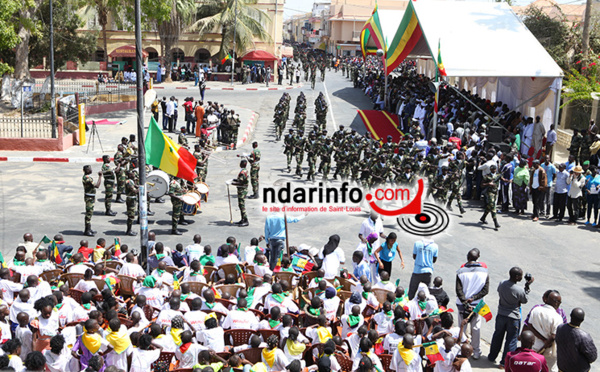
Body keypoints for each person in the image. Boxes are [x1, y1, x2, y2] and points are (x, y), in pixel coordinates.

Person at [488, 267, 533, 368]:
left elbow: (499, 291)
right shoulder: (519, 290)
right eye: (521, 275)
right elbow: (525, 300)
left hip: (501, 314)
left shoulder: (502, 283)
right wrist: (527, 287)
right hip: (513, 318)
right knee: (511, 340)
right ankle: (504, 363)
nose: (522, 277)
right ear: (517, 277)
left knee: (497, 336)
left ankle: (492, 356)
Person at [455, 248, 489, 360]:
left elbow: (458, 290)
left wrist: (465, 302)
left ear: (467, 257)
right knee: (476, 328)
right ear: (478, 257)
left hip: (462, 305)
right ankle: (476, 352)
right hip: (477, 305)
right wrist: (473, 298)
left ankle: (460, 349)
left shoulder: (461, 271)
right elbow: (485, 290)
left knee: (462, 327)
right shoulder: (484, 272)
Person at [524, 290, 562, 371]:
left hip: (533, 347)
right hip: (548, 352)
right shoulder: (558, 318)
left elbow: (530, 326)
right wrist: (542, 349)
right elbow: (553, 337)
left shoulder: (536, 310)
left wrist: (541, 340)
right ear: (557, 303)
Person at [555, 308, 597, 372]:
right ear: (582, 320)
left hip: (562, 369)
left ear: (570, 315)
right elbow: (592, 357)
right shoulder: (584, 336)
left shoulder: (560, 328)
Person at [82, 165, 102, 237]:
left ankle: (89, 229)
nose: (90, 170)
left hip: (90, 197)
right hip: (89, 197)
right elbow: (97, 186)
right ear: (85, 170)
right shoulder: (87, 178)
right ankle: (87, 230)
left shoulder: (88, 177)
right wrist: (100, 176)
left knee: (90, 213)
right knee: (89, 213)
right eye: (89, 169)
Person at [232, 159, 249, 227]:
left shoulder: (242, 172)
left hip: (242, 190)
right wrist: (235, 180)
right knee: (240, 205)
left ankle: (245, 220)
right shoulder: (245, 170)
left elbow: (241, 182)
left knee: (242, 206)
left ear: (241, 164)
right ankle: (242, 219)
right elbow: (242, 180)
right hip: (243, 189)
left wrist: (232, 183)